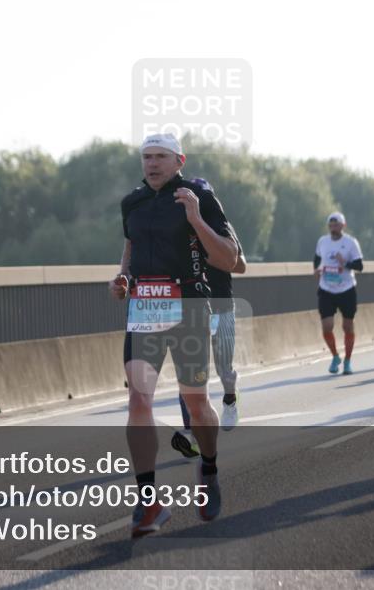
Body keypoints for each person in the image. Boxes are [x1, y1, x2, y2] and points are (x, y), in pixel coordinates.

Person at [109, 134, 238, 537]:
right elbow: (131, 247)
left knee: (196, 405)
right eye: (146, 157)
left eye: (160, 157)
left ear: (178, 160)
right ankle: (148, 503)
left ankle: (210, 469)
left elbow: (231, 258)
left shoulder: (198, 193)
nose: (151, 164)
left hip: (189, 308)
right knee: (138, 398)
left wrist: (197, 218)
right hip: (144, 310)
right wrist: (123, 277)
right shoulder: (132, 202)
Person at [171, 178, 247, 459]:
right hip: (192, 308)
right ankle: (191, 432)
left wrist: (209, 251)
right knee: (190, 371)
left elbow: (241, 265)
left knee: (223, 367)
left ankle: (230, 395)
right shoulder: (177, 230)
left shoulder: (221, 228)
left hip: (221, 304)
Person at [313, 212, 364, 375]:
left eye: (336, 225)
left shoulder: (350, 242)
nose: (333, 228)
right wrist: (316, 269)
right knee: (327, 327)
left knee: (347, 327)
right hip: (326, 288)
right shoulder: (322, 241)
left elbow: (360, 265)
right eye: (331, 225)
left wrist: (345, 263)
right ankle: (335, 356)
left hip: (346, 289)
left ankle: (348, 361)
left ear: (343, 225)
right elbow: (317, 258)